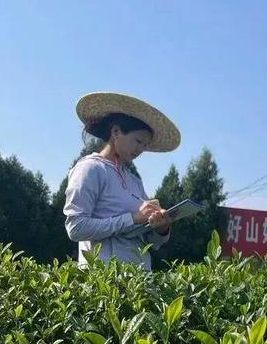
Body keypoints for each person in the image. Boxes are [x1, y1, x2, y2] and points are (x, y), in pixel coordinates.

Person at [64, 92, 181, 270]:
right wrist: (132, 219)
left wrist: (160, 227)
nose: (140, 149)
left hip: (138, 283)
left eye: (145, 145)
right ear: (116, 132)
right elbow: (76, 227)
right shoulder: (90, 169)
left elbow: (151, 241)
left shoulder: (134, 181)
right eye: (138, 141)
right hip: (104, 284)